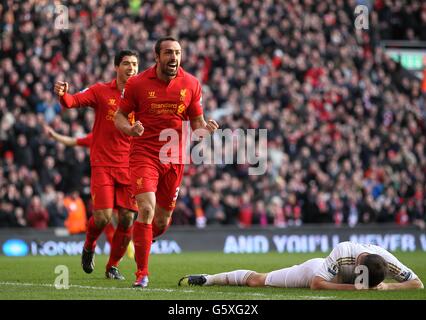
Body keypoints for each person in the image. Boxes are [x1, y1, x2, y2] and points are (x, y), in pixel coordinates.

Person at [115, 36, 219, 287]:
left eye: (178, 53)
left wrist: (206, 130)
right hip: (144, 155)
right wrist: (130, 130)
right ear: (157, 56)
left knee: (160, 222)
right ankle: (142, 274)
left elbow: (196, 124)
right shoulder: (138, 83)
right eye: (169, 53)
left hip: (175, 158)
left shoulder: (192, 83)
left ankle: (143, 240)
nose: (174, 57)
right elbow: (119, 116)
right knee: (147, 210)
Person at [53, 50, 139, 280]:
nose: (131, 68)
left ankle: (112, 266)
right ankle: (89, 245)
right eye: (126, 64)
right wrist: (63, 95)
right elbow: (73, 101)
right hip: (103, 164)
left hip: (129, 167)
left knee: (128, 219)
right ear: (116, 67)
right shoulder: (101, 91)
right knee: (101, 217)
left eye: (134, 64)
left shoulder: (142, 97)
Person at [178, 241, 424, 290]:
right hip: (316, 272)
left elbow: (417, 284)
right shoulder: (344, 251)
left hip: (337, 280)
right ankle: (209, 278)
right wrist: (359, 289)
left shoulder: (386, 259)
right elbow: (317, 284)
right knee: (258, 280)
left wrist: (388, 288)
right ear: (358, 263)